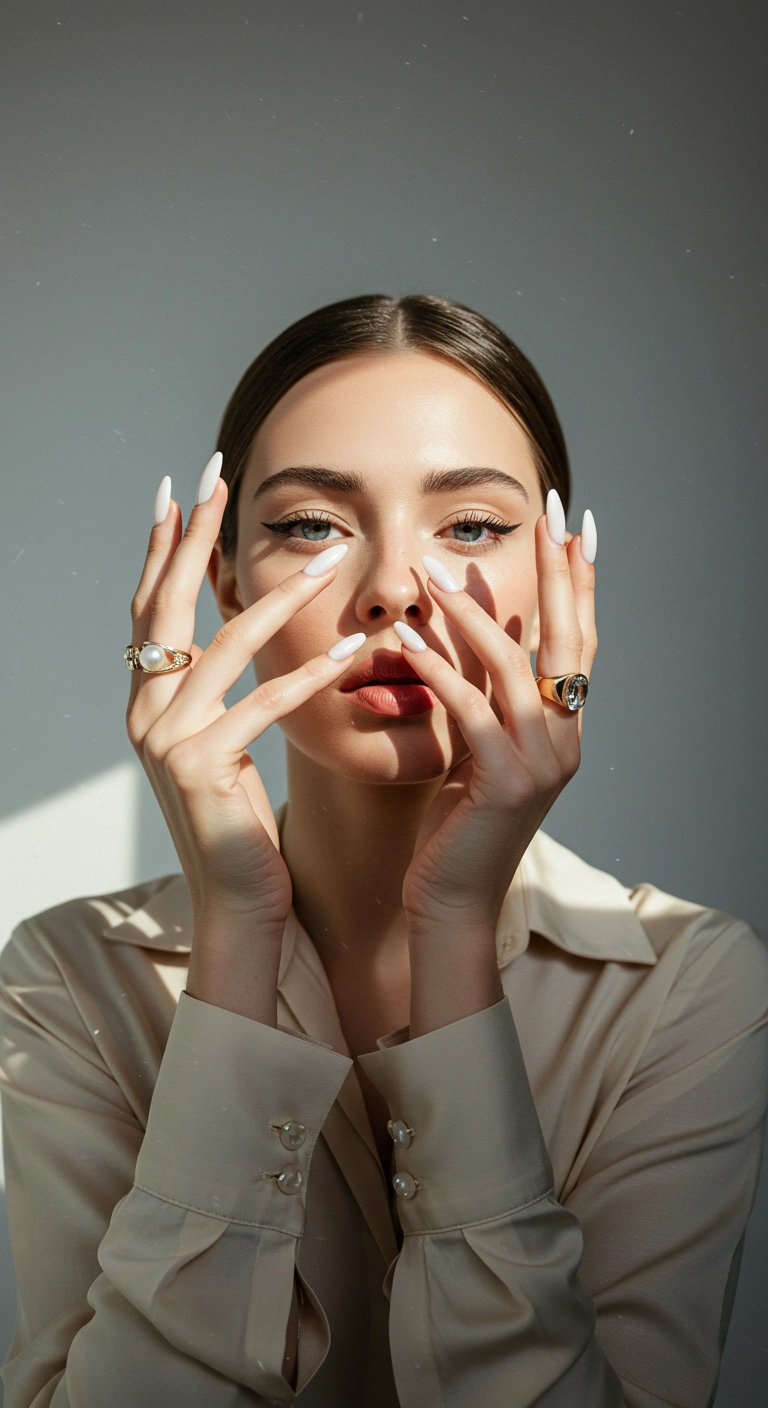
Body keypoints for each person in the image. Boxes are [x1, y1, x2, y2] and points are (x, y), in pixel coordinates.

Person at [1, 294, 766, 1408]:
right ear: (219, 578)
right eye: (313, 523)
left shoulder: (689, 984)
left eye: (472, 527)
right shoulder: (68, 978)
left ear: (558, 580)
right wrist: (236, 935)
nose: (394, 590)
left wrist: (453, 932)